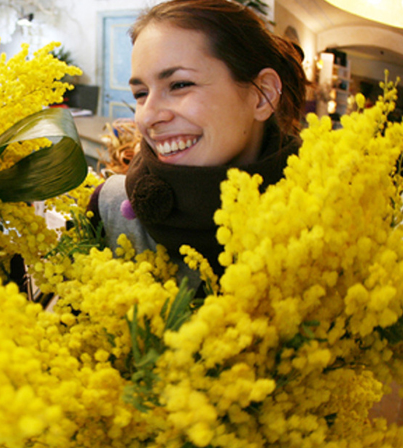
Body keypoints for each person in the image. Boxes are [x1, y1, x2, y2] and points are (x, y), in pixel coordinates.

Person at [88, 0, 308, 286]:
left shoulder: (329, 225)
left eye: (179, 85)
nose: (149, 116)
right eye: (141, 93)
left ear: (263, 95)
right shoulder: (109, 209)